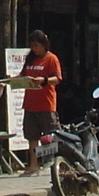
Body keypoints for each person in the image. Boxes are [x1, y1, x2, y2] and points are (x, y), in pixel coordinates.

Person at [19, 30, 62, 176]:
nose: (34, 49)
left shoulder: (51, 59)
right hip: (30, 104)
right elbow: (23, 75)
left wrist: (43, 81)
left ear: (44, 45)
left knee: (51, 136)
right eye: (32, 46)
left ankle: (54, 163)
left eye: (37, 45)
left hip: (46, 104)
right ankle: (33, 164)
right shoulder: (30, 59)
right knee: (32, 137)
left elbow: (56, 79)